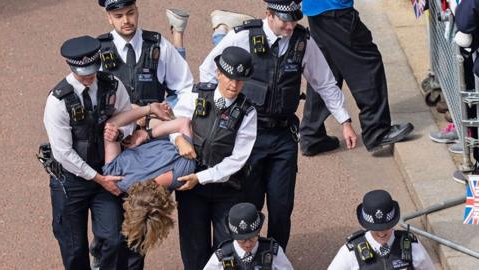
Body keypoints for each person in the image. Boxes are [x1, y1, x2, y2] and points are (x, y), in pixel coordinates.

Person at [200, 0, 357, 250]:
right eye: (285, 20)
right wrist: (222, 113)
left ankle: (275, 257)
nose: (290, 26)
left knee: (282, 206)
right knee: (248, 204)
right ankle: (243, 259)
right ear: (268, 15)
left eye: (294, 20)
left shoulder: (302, 42)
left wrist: (345, 121)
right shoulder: (243, 37)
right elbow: (208, 72)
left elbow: (325, 82)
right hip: (248, 136)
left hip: (283, 136)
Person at [43, 35, 134, 270]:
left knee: (114, 240)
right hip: (71, 182)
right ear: (71, 66)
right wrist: (99, 179)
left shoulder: (112, 85)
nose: (89, 76)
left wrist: (122, 132)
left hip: (105, 174)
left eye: (92, 70)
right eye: (83, 72)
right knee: (74, 250)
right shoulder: (58, 101)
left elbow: (128, 115)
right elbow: (63, 153)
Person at [173, 46, 258, 270]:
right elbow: (174, 124)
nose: (234, 85)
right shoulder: (196, 95)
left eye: (240, 80)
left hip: (227, 190)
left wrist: (200, 177)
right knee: (193, 250)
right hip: (192, 190)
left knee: (226, 251)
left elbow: (237, 160)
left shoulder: (248, 112)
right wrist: (178, 139)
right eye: (229, 77)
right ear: (218, 73)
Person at [299, 0, 414, 156]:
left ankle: (312, 135)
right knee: (367, 64)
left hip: (316, 9)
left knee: (326, 68)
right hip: (336, 10)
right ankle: (376, 131)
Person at [100, 102, 196, 255]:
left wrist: (147, 125)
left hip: (148, 115)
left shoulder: (182, 173)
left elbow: (183, 123)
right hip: (156, 115)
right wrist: (147, 129)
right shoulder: (120, 180)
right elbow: (111, 125)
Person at [97, 0, 193, 109]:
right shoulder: (98, 49)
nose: (126, 21)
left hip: (156, 122)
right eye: (118, 16)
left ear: (137, 11)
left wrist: (168, 111)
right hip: (114, 123)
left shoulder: (159, 45)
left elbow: (184, 87)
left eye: (130, 13)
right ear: (109, 18)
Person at [328, 190, 435, 270]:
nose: (382, 233)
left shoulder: (410, 245)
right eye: (376, 229)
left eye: (386, 226)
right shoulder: (351, 252)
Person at [204, 202, 293, 270]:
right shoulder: (223, 255)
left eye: (252, 238)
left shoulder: (271, 250)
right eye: (241, 240)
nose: (248, 244)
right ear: (234, 236)